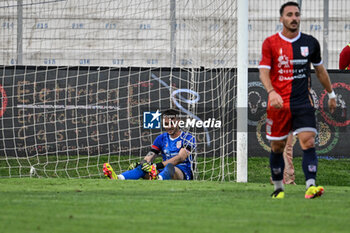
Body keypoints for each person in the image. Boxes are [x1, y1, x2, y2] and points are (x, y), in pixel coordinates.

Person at [258, 1, 337, 199]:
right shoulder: (270, 43)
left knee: (308, 142)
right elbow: (263, 72)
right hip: (278, 105)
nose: (294, 18)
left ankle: (311, 185)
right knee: (278, 147)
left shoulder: (310, 43)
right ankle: (278, 188)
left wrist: (331, 94)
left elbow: (320, 71)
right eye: (290, 14)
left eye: (297, 14)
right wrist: (271, 92)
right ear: (281, 19)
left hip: (303, 103)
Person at [103, 109, 196, 180]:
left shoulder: (188, 137)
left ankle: (158, 178)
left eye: (172, 123)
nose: (169, 127)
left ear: (178, 122)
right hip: (162, 170)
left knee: (170, 166)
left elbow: (181, 157)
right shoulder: (161, 138)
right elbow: (150, 156)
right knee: (142, 168)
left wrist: (157, 166)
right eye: (166, 124)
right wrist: (142, 163)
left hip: (183, 172)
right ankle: (117, 178)